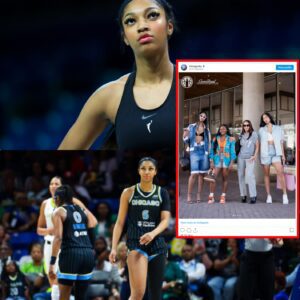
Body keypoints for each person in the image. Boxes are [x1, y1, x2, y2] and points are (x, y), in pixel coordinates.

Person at [58, 0, 176, 150]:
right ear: (125, 37)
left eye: (152, 15)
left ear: (169, 26)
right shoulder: (109, 96)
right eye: (131, 21)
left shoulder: (200, 82)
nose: (142, 26)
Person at [109, 157, 171, 300]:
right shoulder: (128, 192)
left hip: (157, 245)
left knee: (156, 295)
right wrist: (113, 247)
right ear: (138, 171)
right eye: (143, 168)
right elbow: (119, 223)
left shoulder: (162, 193)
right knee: (137, 294)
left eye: (150, 169)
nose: (147, 172)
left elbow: (166, 220)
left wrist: (152, 233)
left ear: (155, 172)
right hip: (136, 244)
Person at [37, 176, 91, 300]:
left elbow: (59, 237)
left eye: (57, 184)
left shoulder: (65, 207)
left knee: (63, 290)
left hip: (67, 248)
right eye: (51, 183)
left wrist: (52, 262)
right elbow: (39, 229)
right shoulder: (45, 203)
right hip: (83, 249)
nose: (53, 186)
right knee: (74, 292)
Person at [49, 185, 97, 300]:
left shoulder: (58, 211)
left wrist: (52, 262)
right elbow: (93, 223)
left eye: (55, 198)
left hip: (71, 254)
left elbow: (58, 238)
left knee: (64, 297)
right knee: (81, 297)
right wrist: (91, 247)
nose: (54, 200)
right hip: (87, 254)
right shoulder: (82, 210)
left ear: (59, 198)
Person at [258, 112, 289, 204]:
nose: (265, 119)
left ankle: (285, 195)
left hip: (276, 151)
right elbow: (259, 143)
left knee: (280, 173)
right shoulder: (261, 130)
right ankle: (268, 196)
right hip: (265, 153)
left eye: (266, 117)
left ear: (270, 117)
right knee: (266, 174)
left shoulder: (278, 128)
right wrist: (260, 156)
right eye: (263, 118)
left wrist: (283, 155)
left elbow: (281, 142)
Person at [183, 111, 211, 203]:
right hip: (194, 151)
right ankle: (189, 196)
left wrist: (209, 156)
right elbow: (185, 139)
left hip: (204, 151)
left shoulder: (207, 130)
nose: (202, 117)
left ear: (205, 118)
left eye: (204, 116)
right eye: (201, 115)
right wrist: (185, 139)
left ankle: (199, 195)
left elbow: (209, 144)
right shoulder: (191, 126)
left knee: (202, 174)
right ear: (198, 116)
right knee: (194, 174)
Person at [208, 124, 236, 204]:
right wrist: (211, 161)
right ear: (219, 130)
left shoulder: (230, 139)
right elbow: (212, 151)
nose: (222, 130)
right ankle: (211, 195)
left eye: (224, 129)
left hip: (226, 160)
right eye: (220, 129)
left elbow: (233, 152)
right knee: (212, 178)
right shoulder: (215, 139)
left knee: (225, 178)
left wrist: (231, 162)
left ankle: (223, 196)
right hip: (217, 160)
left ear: (227, 130)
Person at [237, 120, 259, 204]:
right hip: (241, 157)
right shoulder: (241, 135)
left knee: (250, 176)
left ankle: (253, 195)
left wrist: (255, 155)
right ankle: (243, 195)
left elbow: (257, 145)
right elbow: (239, 145)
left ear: (250, 126)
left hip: (250, 158)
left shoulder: (254, 134)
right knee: (241, 176)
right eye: (244, 125)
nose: (246, 127)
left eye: (247, 125)